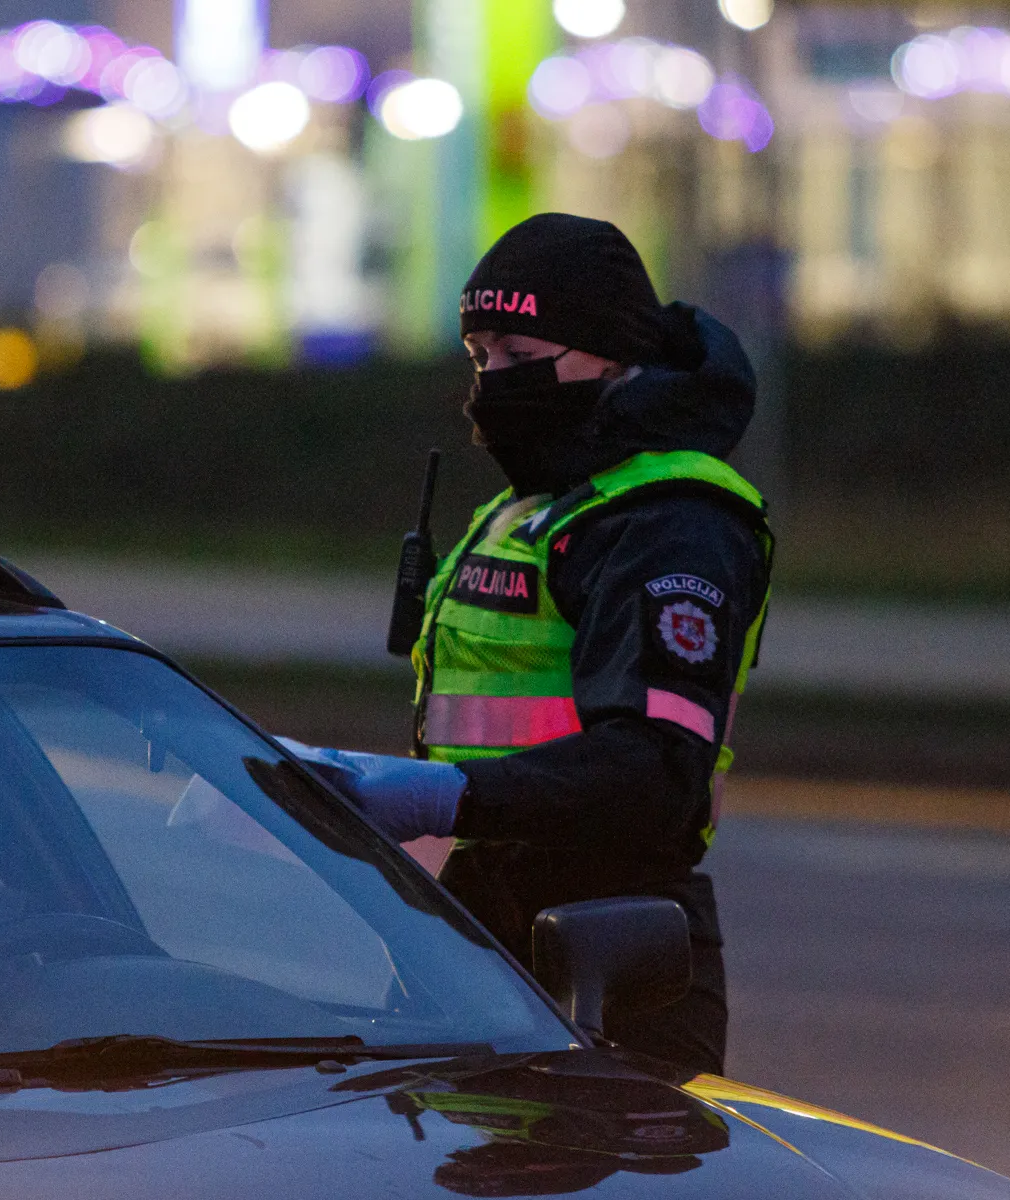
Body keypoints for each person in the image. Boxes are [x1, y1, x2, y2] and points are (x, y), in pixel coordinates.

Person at [284, 212, 773, 1076]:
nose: (492, 383)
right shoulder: (540, 505)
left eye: (519, 353)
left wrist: (443, 797)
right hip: (485, 921)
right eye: (480, 357)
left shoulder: (670, 520)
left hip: (615, 941)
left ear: (610, 355)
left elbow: (656, 773)